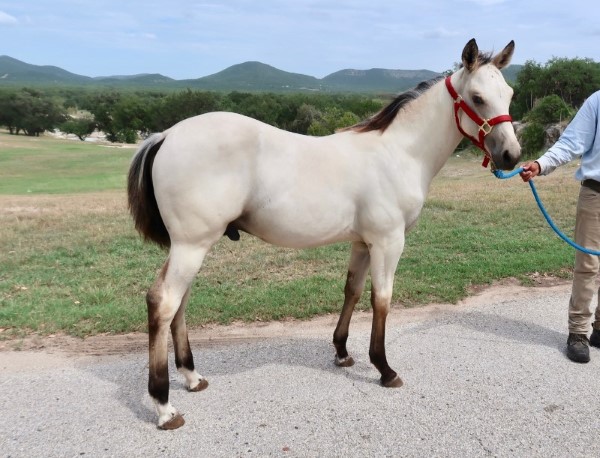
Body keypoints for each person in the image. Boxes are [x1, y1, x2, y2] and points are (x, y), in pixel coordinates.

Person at [520, 90, 600, 363]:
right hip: (596, 194)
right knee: (588, 264)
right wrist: (541, 164)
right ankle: (578, 333)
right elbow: (571, 142)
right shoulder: (597, 101)